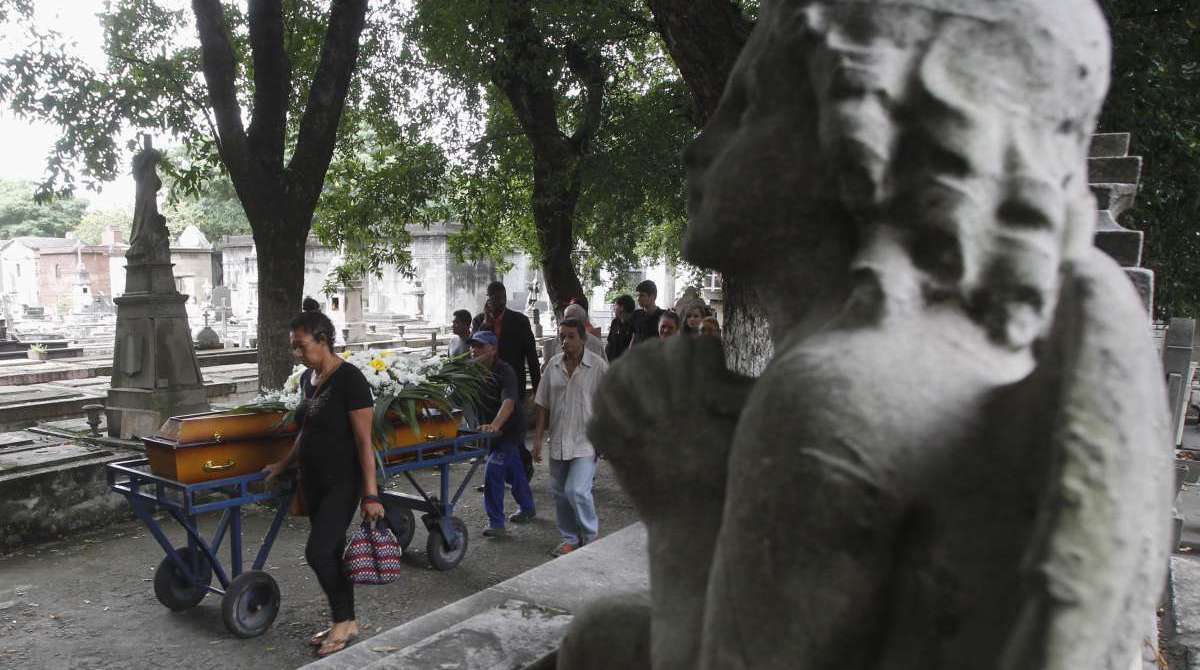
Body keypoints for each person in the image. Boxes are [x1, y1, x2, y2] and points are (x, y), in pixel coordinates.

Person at [263, 311, 383, 658]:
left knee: (317, 552)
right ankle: (343, 621)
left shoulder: (350, 380)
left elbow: (364, 442)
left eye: (301, 346)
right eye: (294, 348)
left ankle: (344, 619)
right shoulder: (308, 380)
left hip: (343, 482)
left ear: (322, 339)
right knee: (330, 551)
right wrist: (284, 464)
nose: (297, 354)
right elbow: (307, 430)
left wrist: (371, 494)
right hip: (312, 481)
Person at [533, 318, 607, 557]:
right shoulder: (553, 366)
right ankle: (570, 538)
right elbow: (542, 405)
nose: (565, 341)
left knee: (576, 490)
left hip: (586, 441)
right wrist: (536, 441)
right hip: (558, 441)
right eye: (561, 336)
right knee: (559, 493)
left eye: (571, 336)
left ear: (582, 339)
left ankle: (591, 535)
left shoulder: (597, 367)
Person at [469, 330, 537, 537]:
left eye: (480, 346)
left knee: (493, 470)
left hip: (509, 429)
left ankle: (496, 523)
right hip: (489, 431)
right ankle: (527, 507)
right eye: (473, 346)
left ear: (493, 349)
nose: (474, 350)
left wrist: (495, 425)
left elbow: (509, 402)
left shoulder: (504, 370)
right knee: (514, 470)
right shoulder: (471, 372)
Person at [471, 281, 540, 479]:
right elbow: (475, 346)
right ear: (488, 299)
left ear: (505, 297)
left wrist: (537, 388)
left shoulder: (519, 320)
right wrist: (486, 321)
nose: (497, 301)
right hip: (487, 387)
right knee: (492, 431)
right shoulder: (479, 321)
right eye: (493, 298)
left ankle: (522, 467)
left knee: (512, 430)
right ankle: (497, 473)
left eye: (501, 297)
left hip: (511, 379)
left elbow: (531, 356)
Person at [628, 280, 665, 348]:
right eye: (638, 296)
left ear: (653, 296)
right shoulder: (636, 315)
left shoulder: (664, 316)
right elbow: (634, 338)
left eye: (642, 295)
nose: (638, 299)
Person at [605, 294, 635, 362]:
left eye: (615, 305)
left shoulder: (634, 325)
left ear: (622, 307)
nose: (614, 309)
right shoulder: (615, 322)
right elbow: (610, 342)